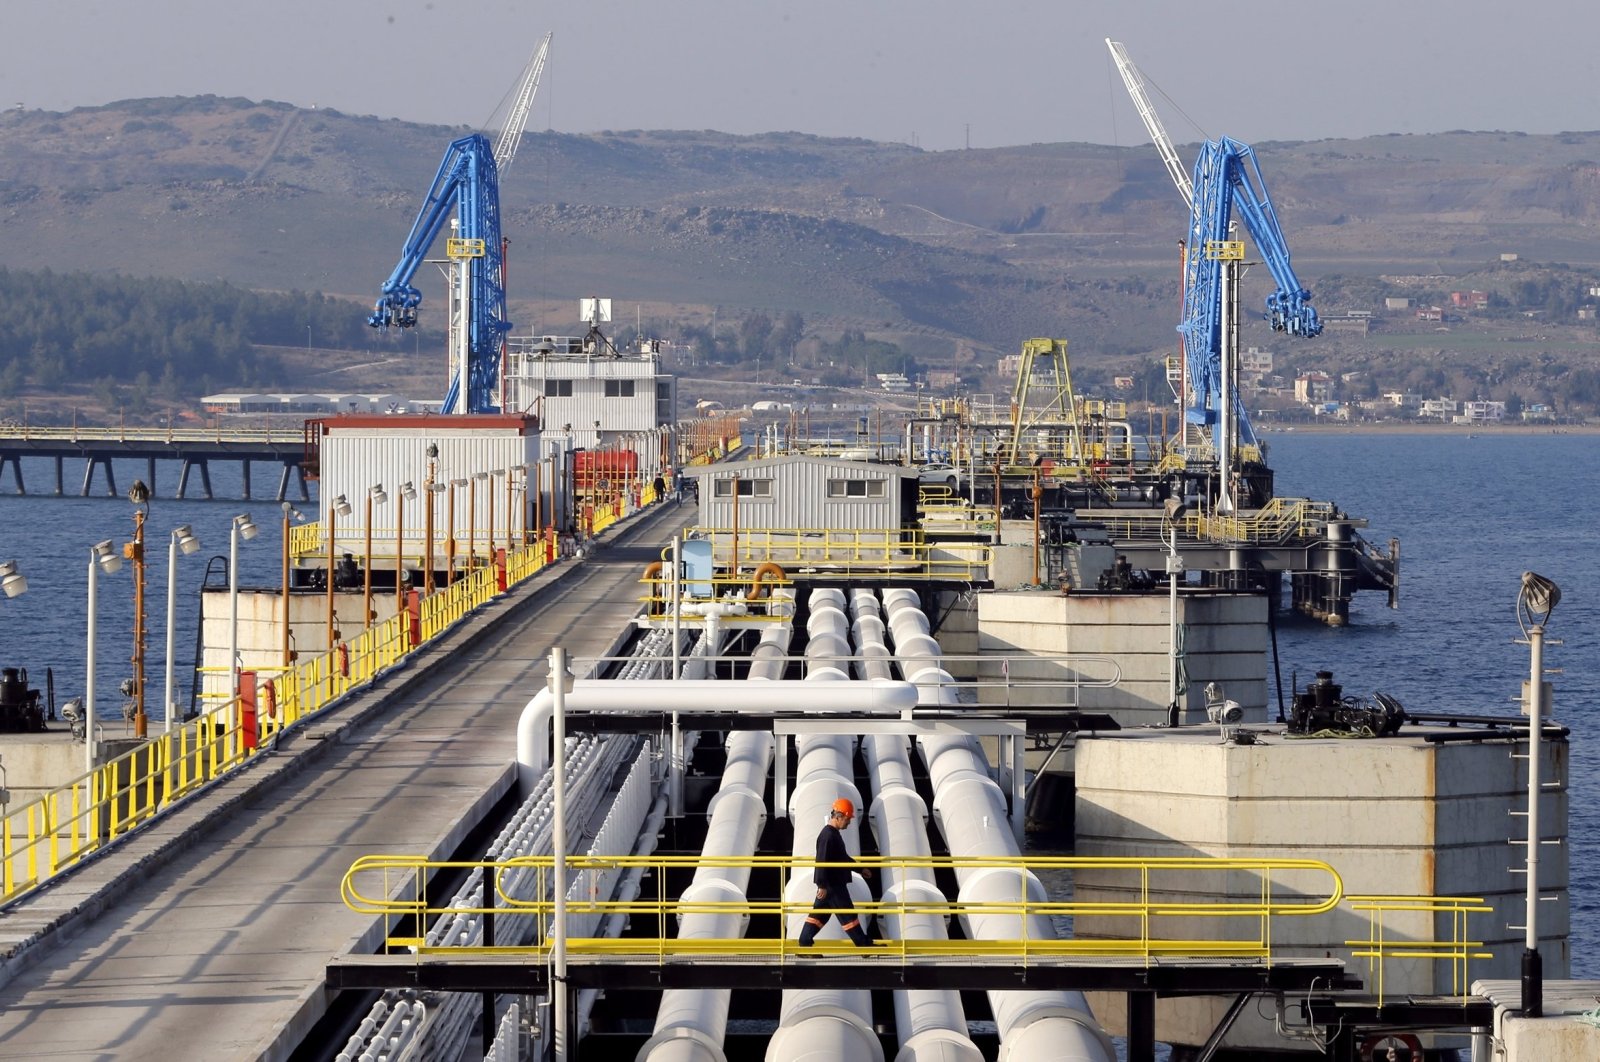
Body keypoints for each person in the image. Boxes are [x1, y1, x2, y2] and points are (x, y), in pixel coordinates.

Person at [797, 797, 881, 947]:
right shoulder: (828, 836)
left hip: (830, 883)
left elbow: (842, 858)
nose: (849, 822)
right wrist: (821, 884)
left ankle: (804, 942)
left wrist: (860, 869)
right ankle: (863, 944)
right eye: (848, 819)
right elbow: (821, 861)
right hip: (833, 885)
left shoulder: (832, 834)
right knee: (848, 915)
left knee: (820, 916)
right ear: (839, 816)